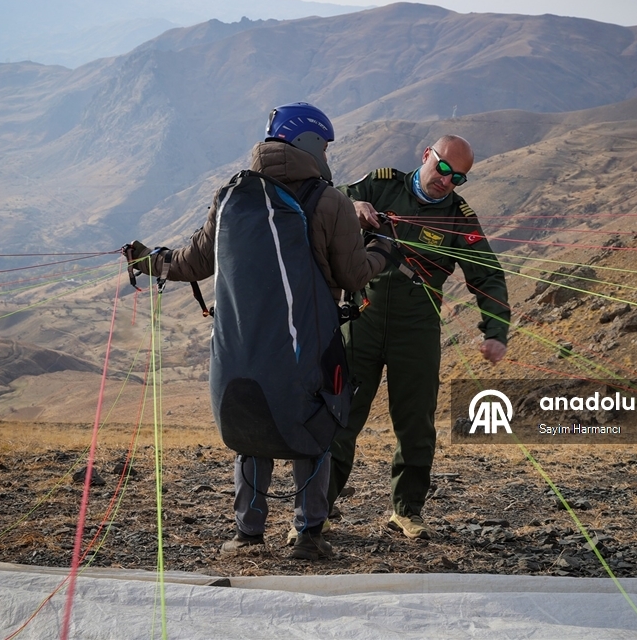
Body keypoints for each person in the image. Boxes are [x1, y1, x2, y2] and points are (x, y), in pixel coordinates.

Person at [127, 103, 388, 560]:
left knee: (252, 429)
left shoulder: (230, 196)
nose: (328, 154)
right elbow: (353, 276)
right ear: (309, 144)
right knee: (314, 425)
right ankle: (308, 535)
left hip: (240, 350)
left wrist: (150, 260)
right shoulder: (330, 201)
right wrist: (384, 250)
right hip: (306, 345)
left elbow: (193, 263)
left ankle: (247, 535)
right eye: (325, 145)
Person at [328, 134, 510, 540]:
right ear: (427, 155)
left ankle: (407, 511)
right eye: (442, 168)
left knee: (415, 423)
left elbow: (488, 275)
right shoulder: (380, 185)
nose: (446, 180)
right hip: (361, 318)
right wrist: (349, 206)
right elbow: (324, 198)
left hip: (418, 327)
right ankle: (315, 512)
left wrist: (496, 331)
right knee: (339, 416)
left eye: (457, 178)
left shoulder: (460, 217)